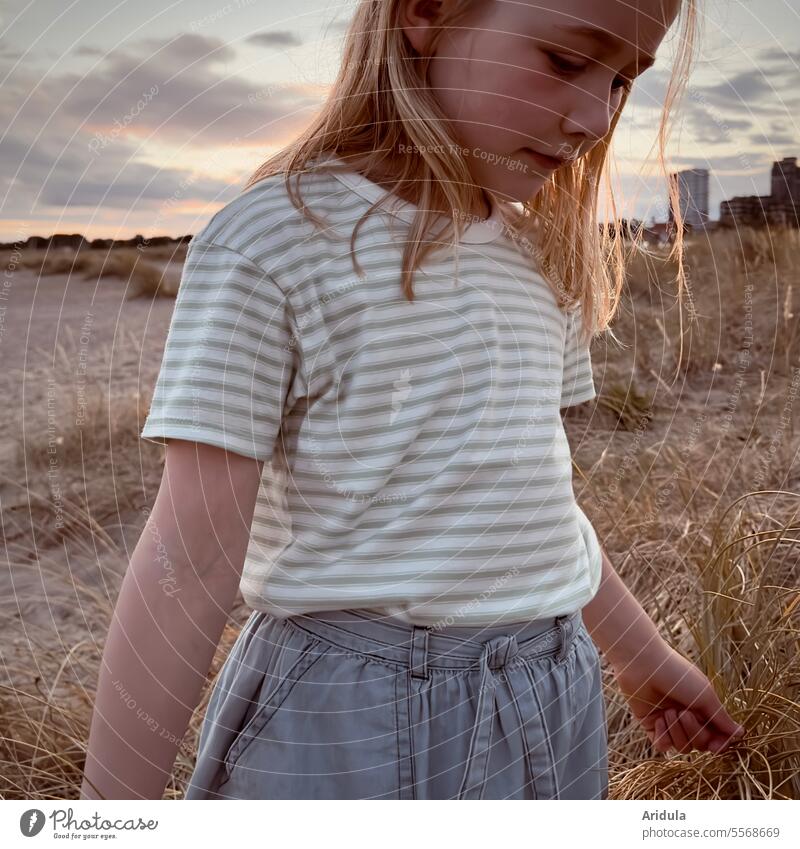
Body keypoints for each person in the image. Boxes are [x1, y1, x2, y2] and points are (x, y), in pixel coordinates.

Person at [81, 0, 745, 801]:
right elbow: (190, 556)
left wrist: (639, 655)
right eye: (567, 62)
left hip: (550, 701)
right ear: (427, 12)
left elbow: (528, 507)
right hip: (342, 715)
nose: (592, 117)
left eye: (622, 81)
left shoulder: (542, 260)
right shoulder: (273, 241)